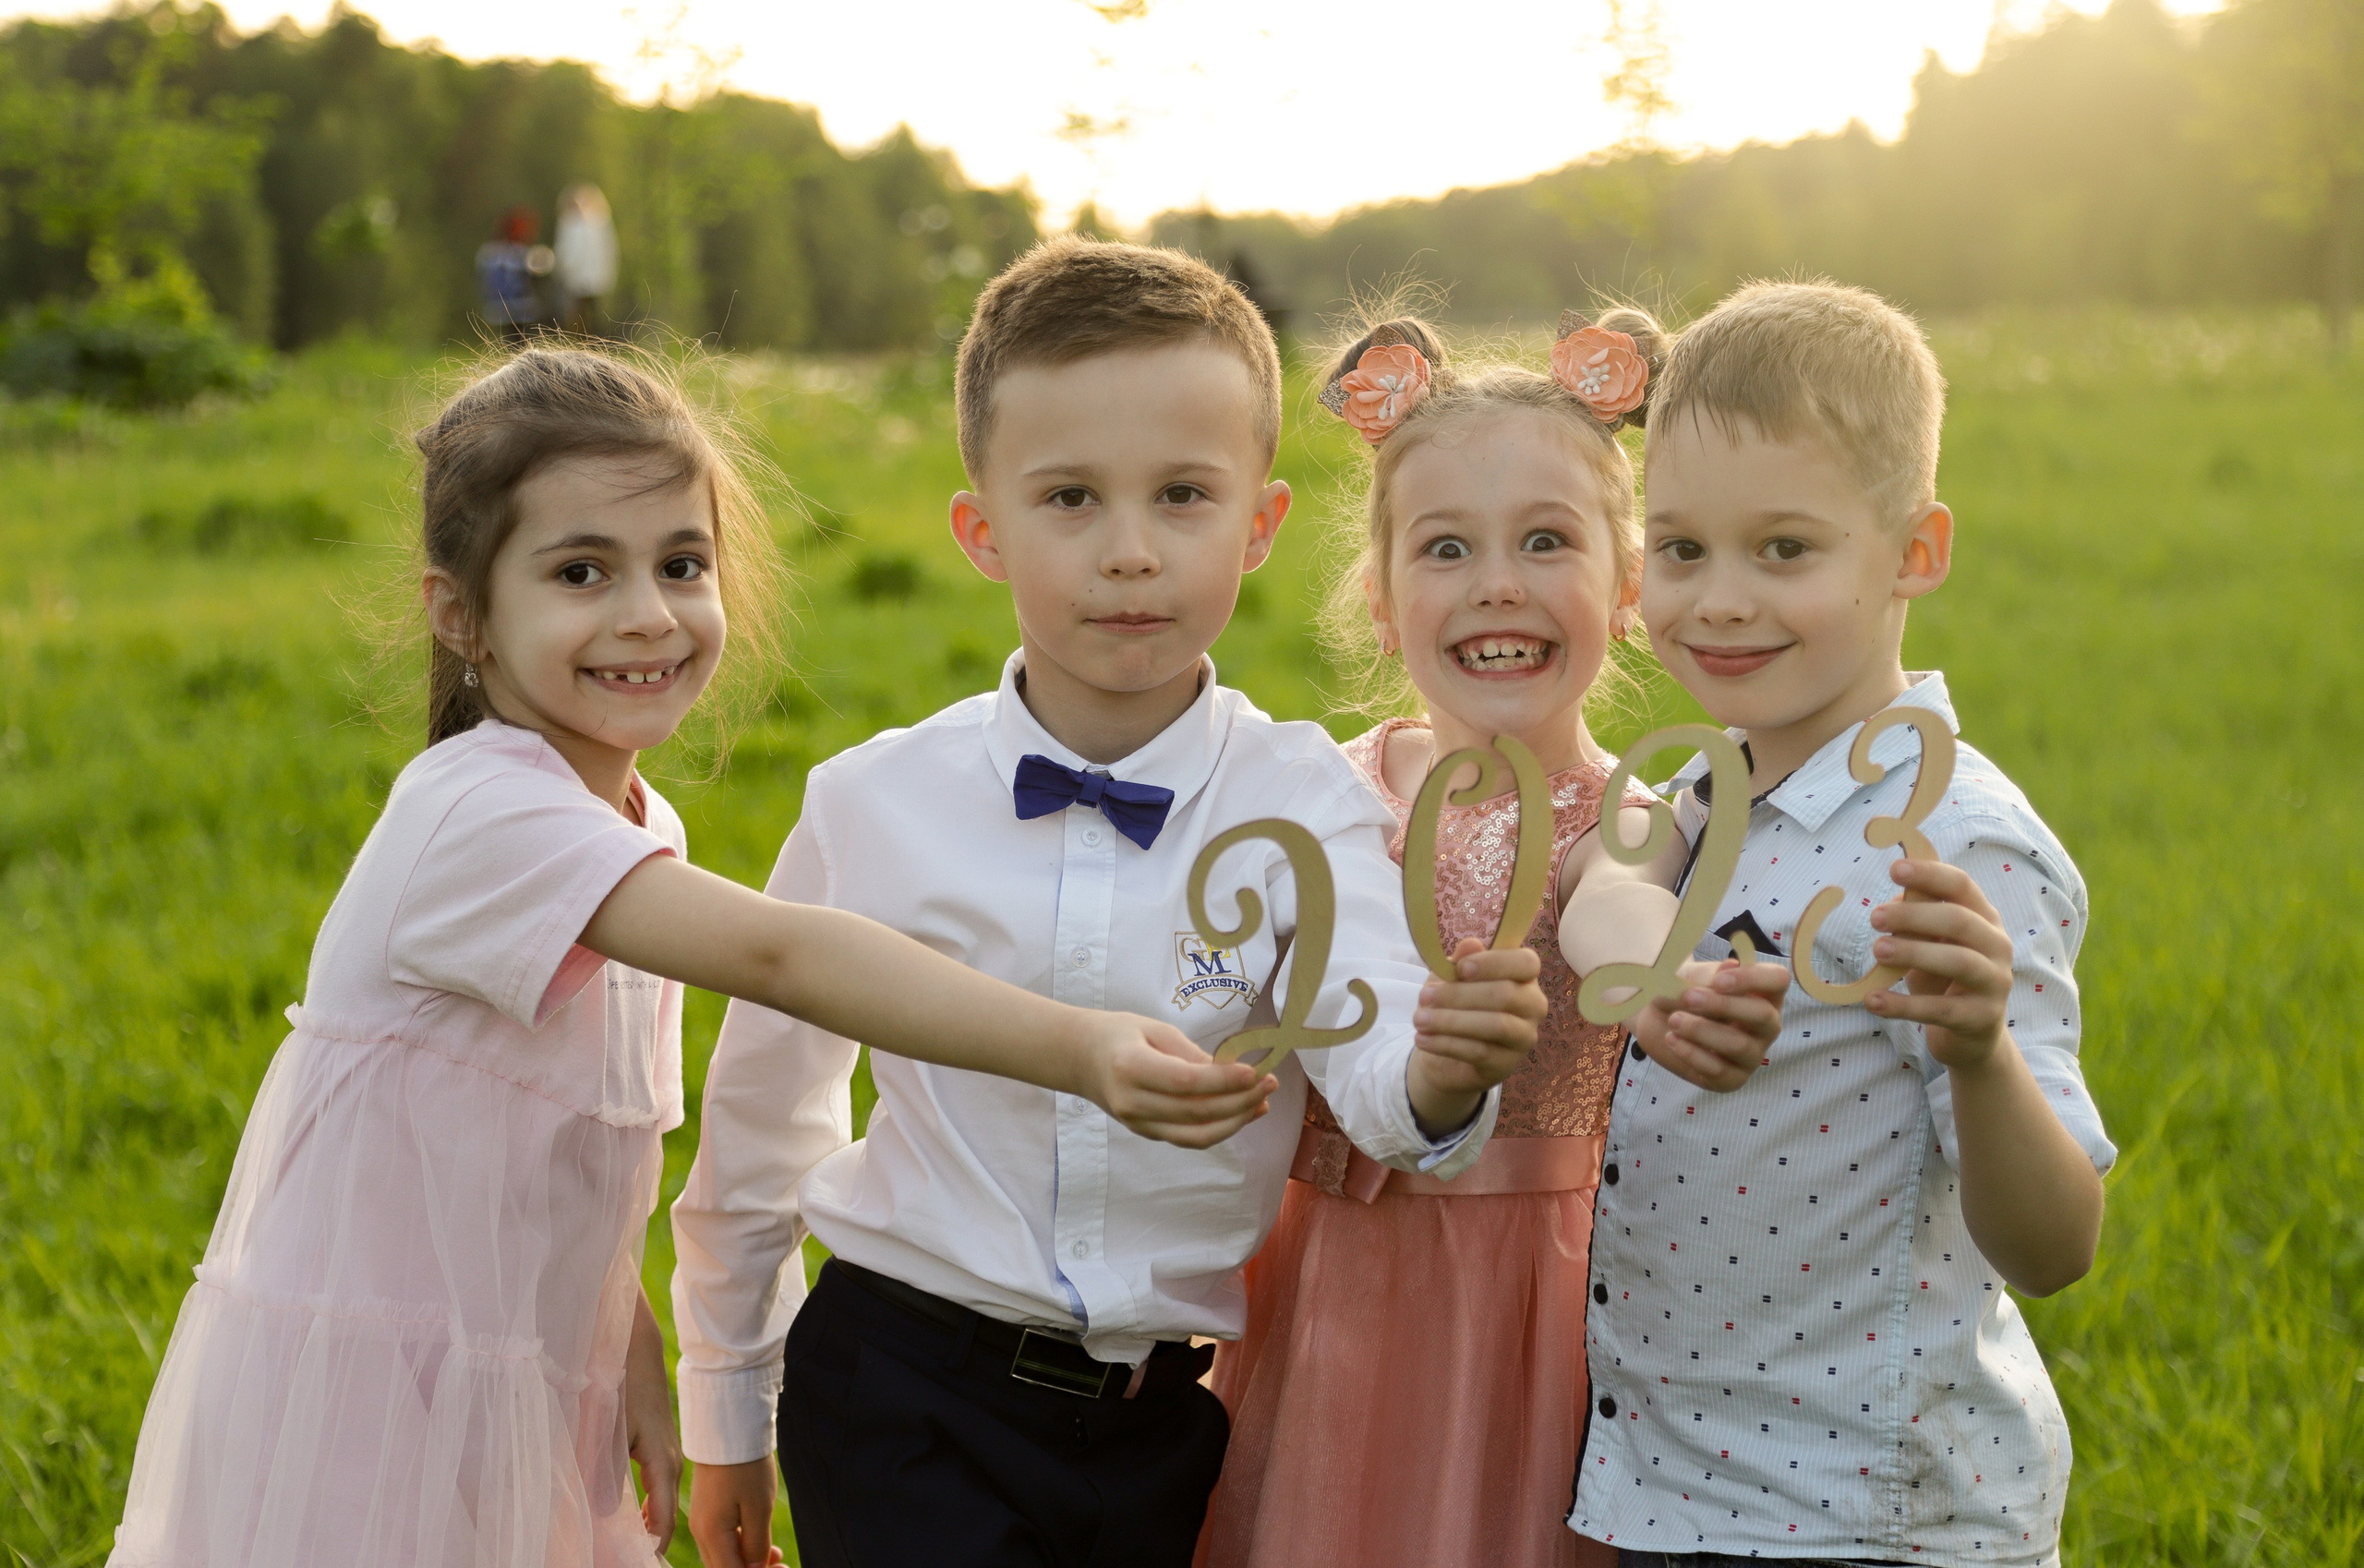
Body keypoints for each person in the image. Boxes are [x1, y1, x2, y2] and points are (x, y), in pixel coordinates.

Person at [104, 345, 1274, 1568]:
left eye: (681, 563)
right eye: (579, 572)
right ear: (461, 613)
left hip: (507, 1370)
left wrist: (631, 1357)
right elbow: (779, 952)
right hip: (378, 1386)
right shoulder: (478, 816)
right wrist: (1078, 1044)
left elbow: (569, 1159)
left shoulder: (632, 821)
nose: (647, 614)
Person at [671, 238, 1553, 1568]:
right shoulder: (874, 802)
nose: (1130, 552)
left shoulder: (1304, 800)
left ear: (1258, 523)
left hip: (1161, 1423)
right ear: (984, 530)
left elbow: (1373, 1066)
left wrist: (1441, 1070)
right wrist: (728, 1402)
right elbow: (764, 1115)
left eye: (1183, 496)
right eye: (1071, 498)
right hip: (903, 1381)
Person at [1197, 312, 1791, 1568]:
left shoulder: (1631, 821)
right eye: (1447, 547)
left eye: (1546, 540)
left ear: (1626, 586)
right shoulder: (1326, 795)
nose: (1497, 583)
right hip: (1328, 1277)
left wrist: (1664, 975)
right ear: (1380, 591)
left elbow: (1613, 910)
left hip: (1533, 1304)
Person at [1572, 282, 2114, 1565]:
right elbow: (1608, 884)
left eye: (1786, 550)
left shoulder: (1953, 846)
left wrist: (1981, 1052)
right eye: (1684, 550)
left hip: (1870, 1508)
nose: (1717, 600)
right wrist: (1648, 976)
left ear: (1914, 554)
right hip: (1676, 1482)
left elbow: (2052, 1247)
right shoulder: (1717, 781)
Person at [476, 205, 550, 340]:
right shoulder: (524, 253)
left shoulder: (488, 252)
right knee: (520, 341)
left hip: (498, 306)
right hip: (521, 306)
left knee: (511, 340)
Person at [556, 184, 619, 336]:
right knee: (580, 314)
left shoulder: (598, 223)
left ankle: (594, 343)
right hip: (579, 276)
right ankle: (585, 343)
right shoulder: (572, 223)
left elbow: (607, 251)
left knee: (590, 313)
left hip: (590, 277)